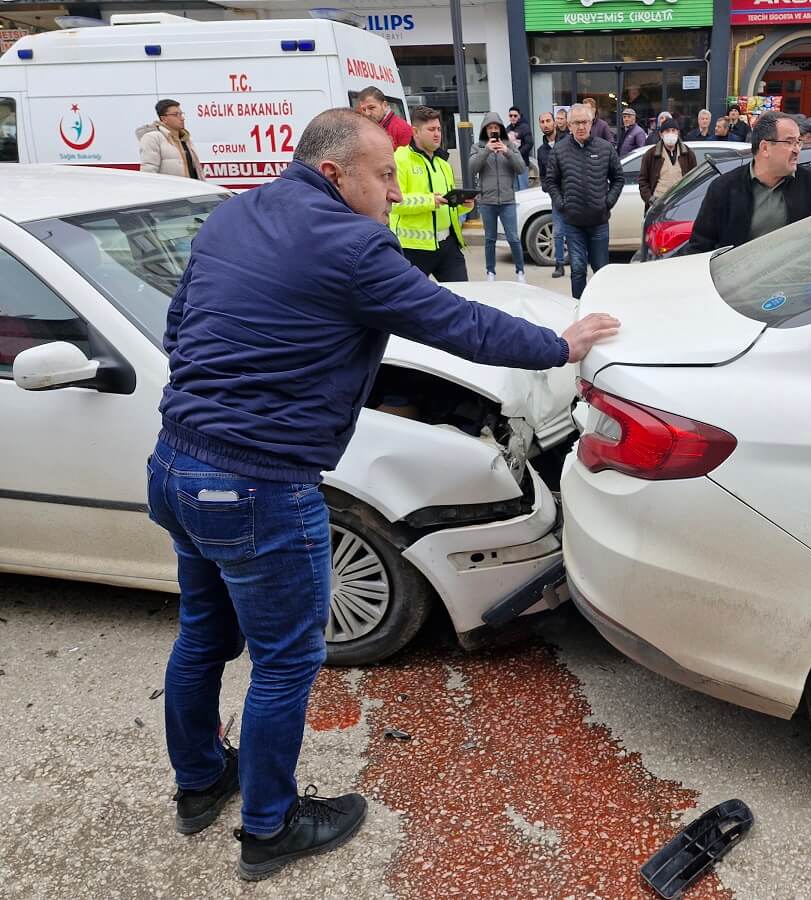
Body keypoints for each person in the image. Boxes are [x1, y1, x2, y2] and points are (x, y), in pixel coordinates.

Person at [148, 107, 619, 882]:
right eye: (383, 174)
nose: (395, 187)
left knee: (203, 634)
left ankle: (201, 785)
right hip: (260, 486)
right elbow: (453, 322)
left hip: (174, 464)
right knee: (285, 661)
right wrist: (558, 345)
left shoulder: (235, 213)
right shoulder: (351, 243)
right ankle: (270, 826)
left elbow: (180, 323)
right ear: (334, 175)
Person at [687, 111, 811, 255]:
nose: (797, 150)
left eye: (798, 142)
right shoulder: (724, 188)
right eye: (789, 142)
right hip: (740, 281)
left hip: (796, 280)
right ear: (765, 148)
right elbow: (700, 246)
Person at [544, 103, 622, 300]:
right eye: (576, 123)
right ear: (569, 125)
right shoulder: (559, 151)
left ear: (591, 123)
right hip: (573, 223)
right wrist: (562, 204)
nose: (581, 127)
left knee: (601, 269)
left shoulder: (605, 148)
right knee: (578, 269)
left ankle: (603, 305)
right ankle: (577, 307)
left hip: (599, 221)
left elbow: (618, 178)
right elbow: (551, 182)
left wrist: (607, 202)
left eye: (585, 122)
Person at [391, 105, 473, 281]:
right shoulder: (400, 159)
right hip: (412, 249)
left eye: (438, 129)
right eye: (431, 129)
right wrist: (429, 201)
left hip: (448, 245)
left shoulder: (443, 164)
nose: (437, 134)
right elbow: (394, 203)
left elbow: (447, 206)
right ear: (415, 131)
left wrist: (463, 206)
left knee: (462, 298)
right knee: (411, 304)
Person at [470, 113, 527, 283]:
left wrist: (507, 152)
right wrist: (487, 150)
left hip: (507, 200)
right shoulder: (478, 147)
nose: (493, 131)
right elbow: (472, 168)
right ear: (485, 130)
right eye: (490, 128)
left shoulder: (509, 145)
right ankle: (491, 272)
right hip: (487, 200)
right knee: (489, 238)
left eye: (496, 128)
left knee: (513, 238)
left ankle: (520, 272)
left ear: (500, 129)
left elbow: (521, 168)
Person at [137, 99, 205, 180]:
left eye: (181, 114)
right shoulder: (152, 138)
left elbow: (196, 171)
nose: (182, 118)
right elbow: (149, 172)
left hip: (192, 190)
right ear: (163, 118)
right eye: (176, 114)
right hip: (171, 191)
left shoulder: (185, 138)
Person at [638, 118, 696, 210]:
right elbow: (643, 180)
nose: (671, 133)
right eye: (667, 131)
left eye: (674, 130)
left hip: (681, 203)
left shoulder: (688, 153)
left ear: (678, 133)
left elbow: (694, 178)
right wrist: (650, 199)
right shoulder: (651, 154)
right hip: (657, 204)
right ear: (661, 134)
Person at [536, 112, 567, 278]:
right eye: (542, 122)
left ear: (555, 123)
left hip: (573, 193)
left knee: (576, 231)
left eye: (548, 120)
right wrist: (547, 188)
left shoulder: (567, 142)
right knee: (558, 232)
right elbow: (543, 175)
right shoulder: (541, 151)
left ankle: (579, 263)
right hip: (556, 196)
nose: (545, 124)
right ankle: (559, 264)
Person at [506, 106, 535, 190]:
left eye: (515, 115)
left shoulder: (525, 127)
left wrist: (518, 154)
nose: (513, 118)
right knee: (514, 188)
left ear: (519, 116)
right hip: (511, 163)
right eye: (510, 116)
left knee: (523, 188)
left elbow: (529, 143)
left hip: (522, 162)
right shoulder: (507, 128)